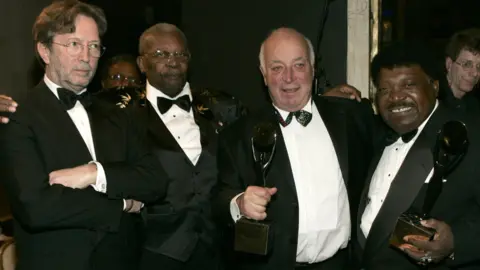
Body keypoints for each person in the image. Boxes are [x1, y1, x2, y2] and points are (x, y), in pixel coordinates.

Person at [0, 1, 168, 269]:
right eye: (74, 44)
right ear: (44, 50)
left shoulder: (116, 114)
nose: (86, 56)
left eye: (93, 46)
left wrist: (95, 174)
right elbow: (36, 207)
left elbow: (155, 180)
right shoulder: (18, 115)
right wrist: (122, 204)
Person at [212, 27, 376, 270]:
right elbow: (219, 198)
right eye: (277, 67)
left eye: (299, 65)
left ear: (312, 68)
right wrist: (239, 203)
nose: (288, 78)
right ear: (264, 74)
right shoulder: (237, 135)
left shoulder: (351, 118)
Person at [113, 23, 238, 270]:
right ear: (141, 63)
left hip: (217, 251)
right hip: (153, 252)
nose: (173, 62)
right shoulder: (122, 116)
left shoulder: (220, 107)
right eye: (161, 54)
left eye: (180, 54)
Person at [355, 41, 480, 270]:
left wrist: (455, 243)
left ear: (434, 86)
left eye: (408, 85)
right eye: (384, 89)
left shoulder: (471, 136)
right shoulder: (378, 134)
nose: (395, 97)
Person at [441, 28, 480, 113]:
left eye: (479, 67)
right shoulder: (430, 102)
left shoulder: (474, 106)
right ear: (449, 64)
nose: (475, 73)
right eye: (467, 64)